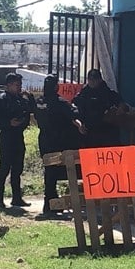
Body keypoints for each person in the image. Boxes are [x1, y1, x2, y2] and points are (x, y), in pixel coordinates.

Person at [35, 74, 86, 217]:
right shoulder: (60, 102)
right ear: (56, 87)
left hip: (44, 141)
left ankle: (51, 204)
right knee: (55, 173)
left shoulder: (39, 102)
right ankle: (50, 205)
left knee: (49, 172)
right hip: (57, 142)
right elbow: (74, 114)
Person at [0, 72, 36, 209]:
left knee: (17, 168)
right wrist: (9, 123)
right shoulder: (1, 100)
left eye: (20, 85)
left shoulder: (21, 99)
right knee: (4, 168)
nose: (19, 87)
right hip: (7, 136)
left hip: (18, 136)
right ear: (8, 85)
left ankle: (16, 198)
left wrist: (30, 97)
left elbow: (31, 110)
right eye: (17, 85)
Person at [72, 69, 128, 147]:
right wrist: (80, 125)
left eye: (95, 79)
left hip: (106, 131)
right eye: (90, 79)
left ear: (100, 80)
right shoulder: (84, 93)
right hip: (89, 131)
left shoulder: (107, 93)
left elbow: (122, 105)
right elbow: (74, 110)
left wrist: (120, 110)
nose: (92, 81)